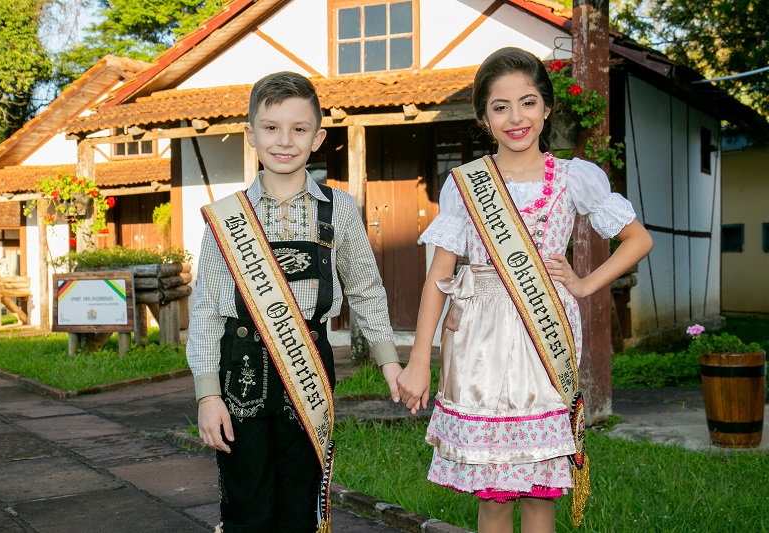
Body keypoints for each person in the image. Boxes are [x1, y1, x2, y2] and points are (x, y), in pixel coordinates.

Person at [395, 47, 653, 532]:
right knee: (493, 497)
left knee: (540, 495)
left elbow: (637, 239)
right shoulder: (464, 185)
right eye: (500, 106)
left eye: (528, 102)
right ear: (483, 117)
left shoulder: (576, 178)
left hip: (546, 332)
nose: (516, 117)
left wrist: (583, 283)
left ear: (547, 107)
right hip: (479, 342)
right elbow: (438, 276)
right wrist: (417, 360)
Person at [185, 71, 403, 533]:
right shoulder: (227, 217)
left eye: (299, 129)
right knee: (246, 501)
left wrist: (389, 363)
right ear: (250, 135)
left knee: (301, 498)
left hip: (309, 362)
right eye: (271, 127)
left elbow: (366, 288)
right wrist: (207, 395)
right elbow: (205, 309)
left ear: (318, 138)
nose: (284, 141)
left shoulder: (338, 209)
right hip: (240, 367)